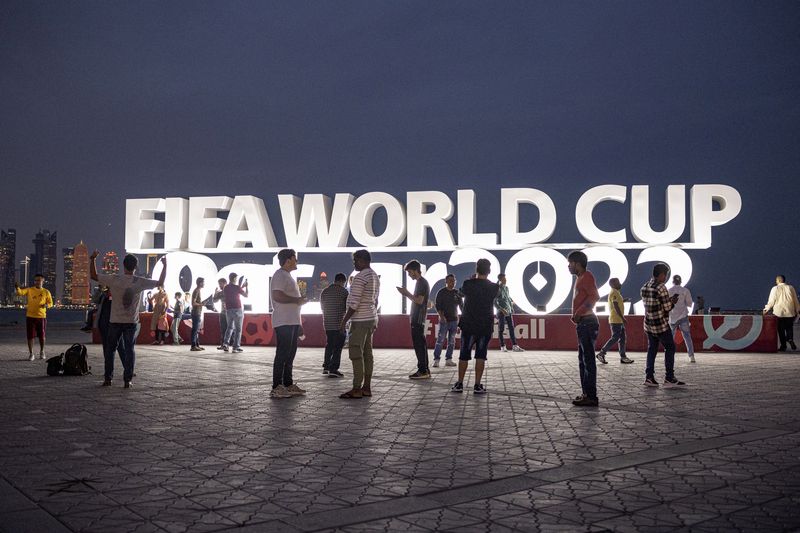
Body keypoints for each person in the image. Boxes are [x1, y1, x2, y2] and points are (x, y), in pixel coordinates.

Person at [90, 251, 166, 388]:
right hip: (131, 322)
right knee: (130, 350)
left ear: (123, 266)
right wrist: (164, 266)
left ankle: (108, 379)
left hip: (114, 321)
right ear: (136, 267)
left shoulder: (115, 279)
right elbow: (160, 282)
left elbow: (93, 275)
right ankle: (127, 380)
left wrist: (93, 259)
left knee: (110, 350)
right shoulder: (140, 281)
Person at [451, 259, 498, 394]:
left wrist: (472, 280)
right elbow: (496, 295)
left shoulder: (468, 284)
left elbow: (460, 293)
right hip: (485, 325)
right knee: (481, 355)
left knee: (464, 355)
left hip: (469, 324)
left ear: (476, 269)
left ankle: (459, 383)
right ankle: (477, 385)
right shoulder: (494, 287)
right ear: (489, 271)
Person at [339, 249, 380, 398]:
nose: (354, 263)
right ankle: (366, 387)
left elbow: (354, 303)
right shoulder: (374, 276)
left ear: (363, 261)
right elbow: (375, 300)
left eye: (355, 260)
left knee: (356, 353)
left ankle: (356, 388)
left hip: (360, 320)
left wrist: (344, 321)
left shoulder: (360, 277)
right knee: (367, 354)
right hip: (371, 318)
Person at [641, 263, 685, 388]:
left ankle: (649, 377)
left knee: (652, 349)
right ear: (661, 275)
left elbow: (652, 304)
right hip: (660, 324)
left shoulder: (644, 286)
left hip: (649, 324)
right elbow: (667, 307)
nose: (665, 277)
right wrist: (673, 302)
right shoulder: (661, 287)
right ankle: (669, 378)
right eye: (665, 275)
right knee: (670, 347)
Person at [270, 249, 307, 398]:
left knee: (290, 354)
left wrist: (299, 324)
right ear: (288, 260)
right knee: (282, 354)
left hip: (291, 321)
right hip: (283, 321)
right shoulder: (279, 275)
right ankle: (277, 387)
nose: (296, 261)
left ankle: (288, 384)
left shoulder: (287, 276)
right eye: (295, 259)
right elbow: (277, 295)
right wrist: (296, 300)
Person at [567, 251, 601, 407]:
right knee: (583, 360)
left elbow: (594, 296)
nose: (568, 266)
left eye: (570, 263)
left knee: (588, 360)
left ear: (577, 263)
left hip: (588, 322)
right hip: (583, 323)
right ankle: (586, 393)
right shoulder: (580, 278)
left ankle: (591, 396)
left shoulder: (587, 276)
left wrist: (579, 312)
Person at [397, 260, 431, 379]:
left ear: (416, 270)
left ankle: (423, 370)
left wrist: (406, 293)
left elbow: (419, 300)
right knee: (421, 344)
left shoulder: (421, 283)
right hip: (418, 318)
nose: (409, 275)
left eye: (410, 272)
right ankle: (424, 369)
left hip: (418, 318)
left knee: (419, 345)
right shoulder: (421, 282)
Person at [15, 274, 54, 361]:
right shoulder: (30, 290)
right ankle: (31, 353)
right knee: (30, 336)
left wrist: (47, 305)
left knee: (42, 336)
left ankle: (42, 351)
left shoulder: (46, 292)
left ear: (43, 281)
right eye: (36, 280)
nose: (37, 282)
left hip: (41, 317)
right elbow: (20, 293)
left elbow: (51, 303)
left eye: (39, 280)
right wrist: (17, 287)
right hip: (30, 316)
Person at [596, 278, 634, 365]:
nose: (620, 284)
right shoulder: (614, 292)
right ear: (613, 284)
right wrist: (622, 317)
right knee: (615, 338)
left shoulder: (616, 292)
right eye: (618, 282)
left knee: (622, 338)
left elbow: (617, 303)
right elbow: (616, 306)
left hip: (618, 320)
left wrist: (624, 300)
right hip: (616, 320)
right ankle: (602, 353)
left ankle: (623, 357)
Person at [320, 272, 349, 377]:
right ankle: (333, 369)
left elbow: (322, 307)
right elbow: (347, 308)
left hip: (327, 323)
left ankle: (326, 367)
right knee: (338, 347)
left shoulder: (325, 291)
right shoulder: (344, 292)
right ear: (343, 281)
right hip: (339, 324)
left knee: (329, 345)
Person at [763, 275, 800, 351]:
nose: (775, 282)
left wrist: (766, 309)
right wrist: (798, 310)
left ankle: (783, 346)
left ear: (778, 280)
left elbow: (771, 301)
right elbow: (795, 300)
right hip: (790, 311)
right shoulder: (791, 287)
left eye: (776, 280)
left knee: (781, 330)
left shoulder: (775, 288)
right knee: (789, 327)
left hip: (778, 313)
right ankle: (790, 339)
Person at [432, 274, 462, 367]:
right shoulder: (441, 292)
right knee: (440, 340)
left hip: (454, 321)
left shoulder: (457, 293)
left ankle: (448, 359)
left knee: (452, 341)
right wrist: (441, 316)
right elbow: (438, 306)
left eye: (454, 281)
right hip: (444, 320)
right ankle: (436, 360)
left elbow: (461, 306)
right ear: (446, 282)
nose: (452, 283)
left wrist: (459, 321)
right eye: (450, 281)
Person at [668, 275, 696, 363]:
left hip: (672, 317)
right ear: (681, 281)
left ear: (672, 281)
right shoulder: (685, 291)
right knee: (687, 336)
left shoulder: (669, 291)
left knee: (670, 338)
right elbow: (689, 303)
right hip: (683, 316)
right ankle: (691, 356)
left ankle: (669, 356)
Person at [495, 273, 524, 352]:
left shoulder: (506, 288)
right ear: (500, 280)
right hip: (501, 312)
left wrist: (511, 305)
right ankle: (502, 346)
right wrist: (501, 309)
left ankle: (515, 346)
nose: (506, 280)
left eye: (506, 279)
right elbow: (494, 302)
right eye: (504, 279)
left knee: (511, 328)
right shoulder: (497, 289)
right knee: (501, 329)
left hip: (509, 311)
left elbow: (508, 298)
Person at [220, 272, 248, 353]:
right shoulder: (237, 287)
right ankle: (235, 347)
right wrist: (246, 287)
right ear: (235, 278)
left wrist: (241, 286)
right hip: (237, 309)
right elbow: (246, 295)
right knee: (238, 329)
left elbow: (233, 292)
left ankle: (225, 344)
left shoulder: (226, 288)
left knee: (230, 327)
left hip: (229, 309)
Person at [190, 278, 205, 351]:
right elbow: (193, 303)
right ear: (200, 283)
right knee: (195, 329)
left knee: (196, 330)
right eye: (203, 282)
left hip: (198, 312)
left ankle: (197, 345)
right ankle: (193, 346)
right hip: (196, 313)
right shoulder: (196, 291)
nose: (204, 284)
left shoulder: (198, 290)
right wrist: (201, 304)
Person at [213, 278, 228, 350]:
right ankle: (223, 345)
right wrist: (215, 293)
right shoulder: (221, 292)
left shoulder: (230, 291)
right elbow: (214, 301)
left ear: (225, 283)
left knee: (230, 329)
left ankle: (227, 345)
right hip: (222, 313)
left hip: (230, 313)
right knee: (223, 330)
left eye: (221, 284)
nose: (219, 285)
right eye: (219, 284)